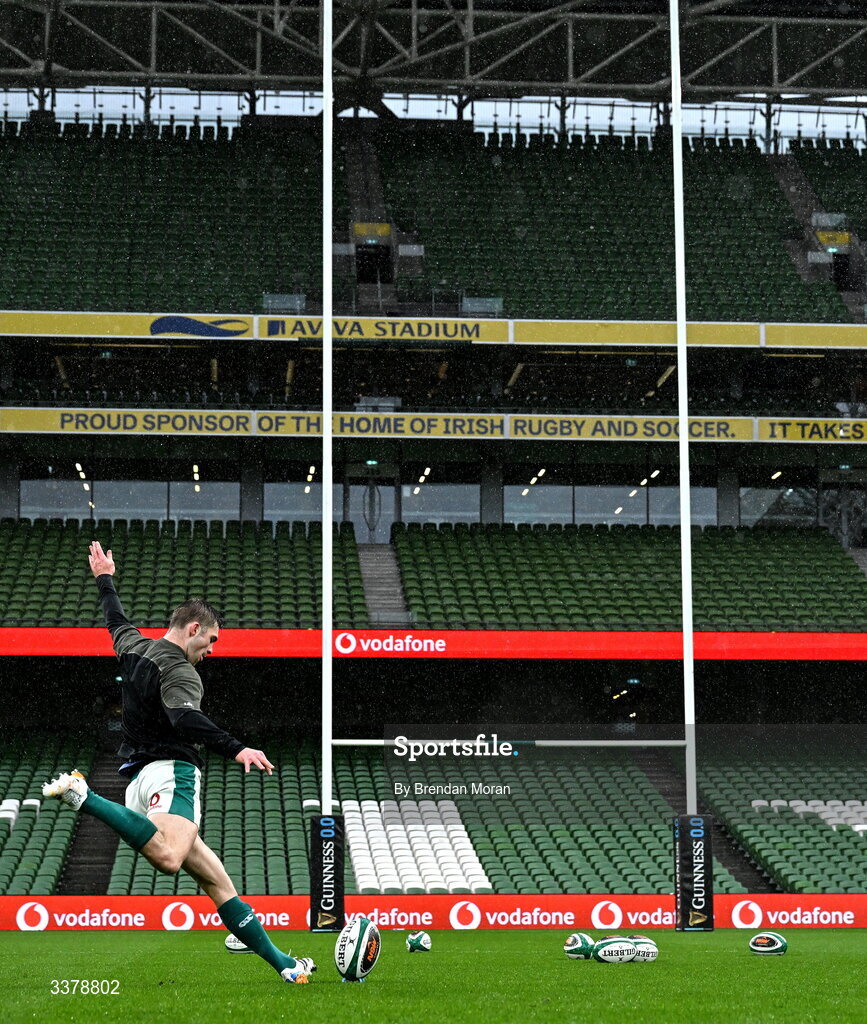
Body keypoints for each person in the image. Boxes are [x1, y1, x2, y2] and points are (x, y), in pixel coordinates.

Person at [43, 540, 315, 984]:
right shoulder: (182, 671)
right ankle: (84, 796)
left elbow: (115, 619)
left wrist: (104, 579)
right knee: (170, 858)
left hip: (138, 781)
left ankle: (286, 966)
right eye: (210, 640)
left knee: (217, 882)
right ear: (192, 629)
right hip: (172, 772)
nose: (211, 649)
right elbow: (184, 718)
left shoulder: (133, 648)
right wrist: (237, 748)